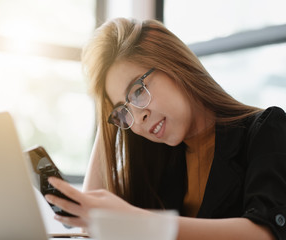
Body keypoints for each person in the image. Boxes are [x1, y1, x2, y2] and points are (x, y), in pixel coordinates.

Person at [45, 18, 286, 240]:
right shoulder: (160, 162)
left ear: (173, 64)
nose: (138, 120)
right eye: (124, 111)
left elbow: (265, 233)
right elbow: (88, 231)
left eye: (138, 91)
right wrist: (108, 113)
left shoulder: (266, 129)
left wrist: (138, 222)